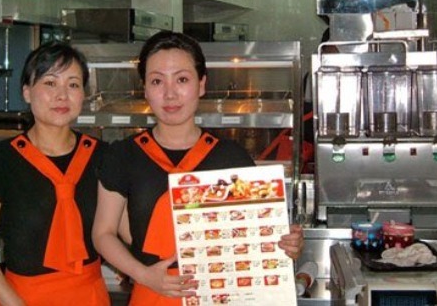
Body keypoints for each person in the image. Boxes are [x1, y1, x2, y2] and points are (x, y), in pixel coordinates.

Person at [93, 31, 304, 305]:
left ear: (201, 84)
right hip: (152, 294)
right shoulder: (123, 155)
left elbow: (255, 238)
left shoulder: (231, 158)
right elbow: (103, 233)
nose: (170, 93)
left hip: (221, 295)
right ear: (144, 88)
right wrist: (144, 275)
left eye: (182, 79)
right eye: (157, 81)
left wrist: (287, 245)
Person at [0, 42, 110, 305]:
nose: (62, 95)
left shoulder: (102, 157)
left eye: (73, 84)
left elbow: (126, 233)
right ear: (27, 92)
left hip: (89, 297)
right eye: (50, 83)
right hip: (21, 298)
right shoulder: (2, 159)